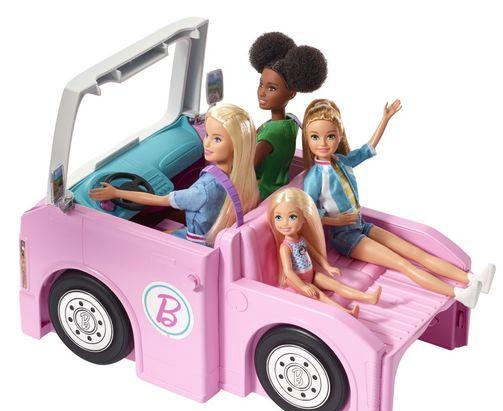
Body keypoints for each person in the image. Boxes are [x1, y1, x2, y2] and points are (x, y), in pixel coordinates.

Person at [302, 99, 495, 307]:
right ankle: (459, 294)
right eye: (315, 137)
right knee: (402, 263)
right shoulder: (314, 177)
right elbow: (309, 214)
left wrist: (385, 119)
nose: (323, 143)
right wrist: (337, 221)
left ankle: (474, 279)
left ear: (339, 135)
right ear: (307, 138)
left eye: (330, 136)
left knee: (416, 253)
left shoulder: (341, 161)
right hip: (345, 238)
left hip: (361, 225)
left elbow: (367, 149)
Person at [90, 104, 259, 246]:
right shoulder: (244, 178)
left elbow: (158, 200)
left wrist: (116, 192)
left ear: (236, 145)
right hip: (213, 240)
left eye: (217, 139)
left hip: (196, 245)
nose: (206, 142)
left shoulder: (204, 190)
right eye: (207, 135)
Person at [268, 187, 382, 317]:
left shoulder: (301, 239)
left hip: (311, 274)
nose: (284, 223)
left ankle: (369, 298)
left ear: (303, 219)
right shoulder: (285, 247)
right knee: (319, 296)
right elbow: (288, 272)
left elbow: (316, 255)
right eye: (278, 217)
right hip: (297, 280)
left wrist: (328, 267)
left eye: (292, 217)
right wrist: (303, 286)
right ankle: (347, 313)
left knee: (336, 285)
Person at [249, 32, 327, 200]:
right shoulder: (291, 122)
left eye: (271, 88)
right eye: (261, 84)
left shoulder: (270, 135)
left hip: (260, 193)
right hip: (279, 188)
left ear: (291, 94)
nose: (262, 92)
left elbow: (246, 169)